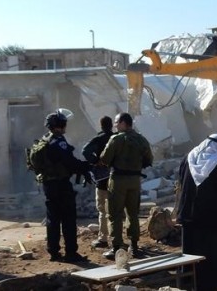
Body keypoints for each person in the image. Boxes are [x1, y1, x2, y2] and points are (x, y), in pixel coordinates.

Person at [176, 134, 217, 291]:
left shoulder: (188, 158)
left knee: (189, 250)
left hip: (188, 214)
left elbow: (181, 180)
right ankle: (210, 284)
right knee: (211, 252)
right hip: (211, 217)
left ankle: (187, 282)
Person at [40, 109, 92, 263]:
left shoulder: (46, 139)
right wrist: (85, 167)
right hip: (61, 185)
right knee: (68, 219)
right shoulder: (59, 141)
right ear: (59, 125)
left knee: (52, 219)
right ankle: (71, 253)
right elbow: (69, 161)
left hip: (48, 184)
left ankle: (54, 252)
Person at [99, 112, 153, 259]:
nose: (115, 125)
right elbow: (149, 159)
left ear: (123, 123)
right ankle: (134, 246)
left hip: (118, 180)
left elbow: (104, 159)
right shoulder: (141, 139)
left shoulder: (115, 139)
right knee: (133, 213)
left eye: (117, 122)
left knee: (115, 214)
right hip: (135, 180)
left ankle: (117, 248)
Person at [81, 115, 115, 249]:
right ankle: (116, 238)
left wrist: (96, 161)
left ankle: (103, 239)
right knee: (115, 210)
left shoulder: (98, 139)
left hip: (102, 179)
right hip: (117, 178)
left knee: (102, 210)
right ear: (111, 125)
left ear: (101, 125)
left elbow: (85, 151)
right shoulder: (116, 138)